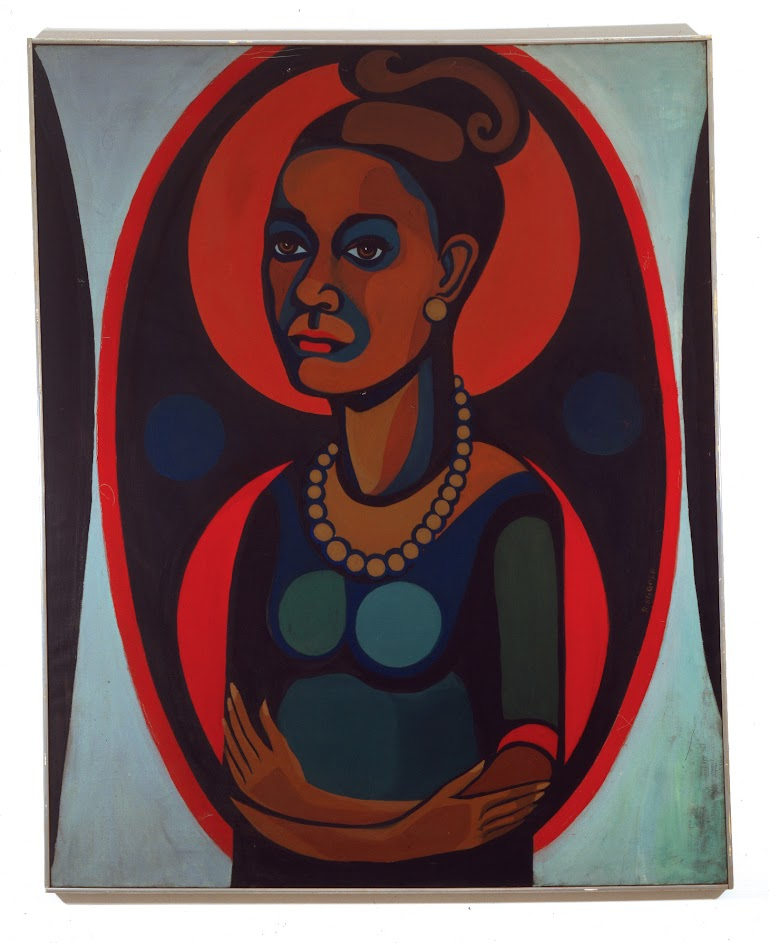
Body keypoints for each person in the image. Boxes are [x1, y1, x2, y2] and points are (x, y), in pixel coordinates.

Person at [222, 49, 564, 888]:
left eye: (366, 250)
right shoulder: (278, 510)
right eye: (289, 245)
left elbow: (523, 773)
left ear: (449, 271)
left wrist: (328, 822)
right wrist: (416, 828)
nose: (312, 287)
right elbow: (246, 784)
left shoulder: (507, 509)